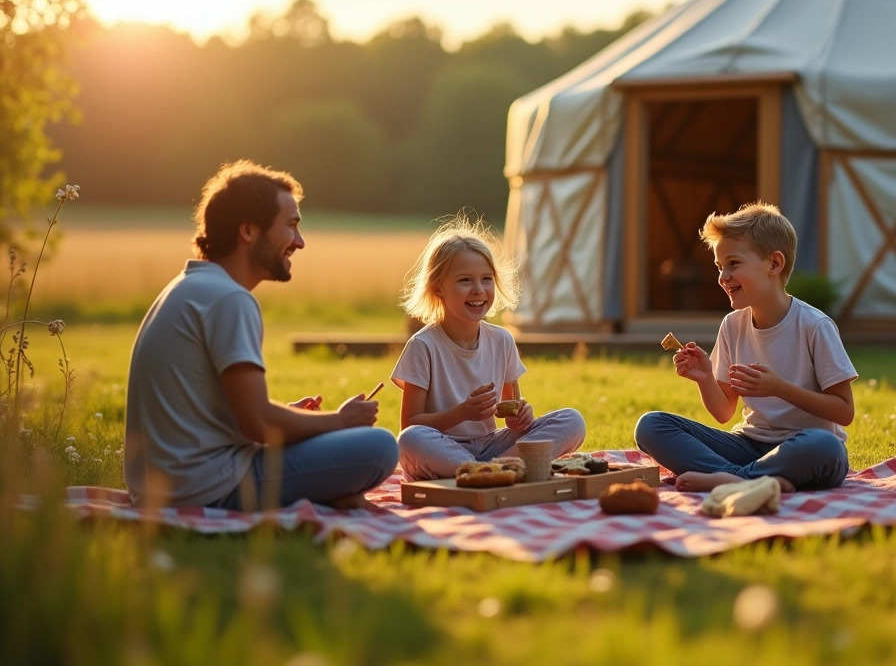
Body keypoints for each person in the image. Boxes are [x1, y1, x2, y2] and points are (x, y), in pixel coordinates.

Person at [123, 160, 399, 511]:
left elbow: (230, 415)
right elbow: (257, 423)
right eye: (291, 226)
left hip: (165, 486)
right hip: (207, 488)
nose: (299, 242)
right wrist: (340, 421)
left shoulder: (190, 287)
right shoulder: (230, 299)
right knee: (378, 447)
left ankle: (327, 493)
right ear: (249, 231)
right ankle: (328, 495)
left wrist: (298, 418)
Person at [634, 202, 856, 493]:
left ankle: (734, 478)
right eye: (719, 266)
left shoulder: (814, 326)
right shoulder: (732, 325)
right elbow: (724, 411)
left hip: (804, 448)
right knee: (651, 426)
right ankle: (745, 478)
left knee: (826, 446)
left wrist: (779, 388)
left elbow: (844, 412)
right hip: (748, 446)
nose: (723, 277)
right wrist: (705, 378)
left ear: (774, 264)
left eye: (733, 264)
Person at [392, 214, 585, 480]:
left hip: (493, 445)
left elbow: (511, 411)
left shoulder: (502, 340)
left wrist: (522, 417)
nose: (478, 289)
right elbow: (411, 423)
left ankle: (492, 471)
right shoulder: (423, 346)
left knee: (572, 421)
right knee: (412, 439)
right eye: (464, 280)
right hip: (444, 447)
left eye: (486, 279)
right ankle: (500, 470)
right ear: (438, 289)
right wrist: (463, 413)